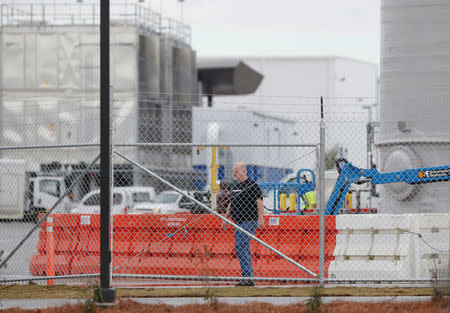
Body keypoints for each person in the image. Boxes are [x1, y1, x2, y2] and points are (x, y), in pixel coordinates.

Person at [222, 162, 264, 287]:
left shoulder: (252, 185)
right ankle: (248, 277)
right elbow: (231, 203)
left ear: (244, 171)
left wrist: (261, 218)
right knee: (243, 248)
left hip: (249, 221)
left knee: (240, 247)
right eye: (233, 172)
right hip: (238, 223)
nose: (234, 175)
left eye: (236, 172)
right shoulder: (235, 186)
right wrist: (226, 218)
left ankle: (248, 277)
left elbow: (259, 202)